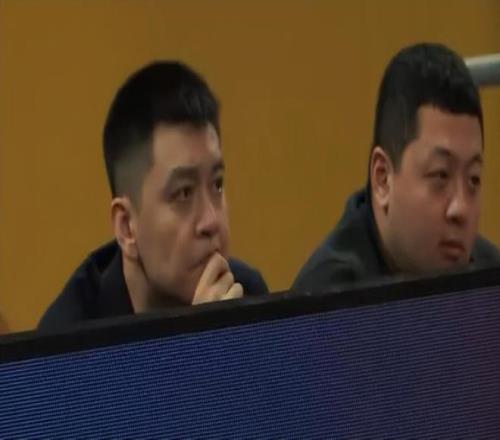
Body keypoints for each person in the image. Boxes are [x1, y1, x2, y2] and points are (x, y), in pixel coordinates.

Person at [39, 61, 268, 330]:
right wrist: (201, 344)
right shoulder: (68, 340)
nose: (211, 221)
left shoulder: (245, 296)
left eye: (217, 184)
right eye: (184, 193)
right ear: (127, 227)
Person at [293, 42, 500, 292]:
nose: (461, 209)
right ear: (383, 179)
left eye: (473, 179)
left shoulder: (490, 279)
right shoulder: (327, 300)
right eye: (441, 175)